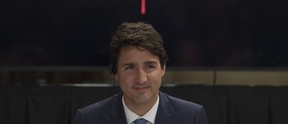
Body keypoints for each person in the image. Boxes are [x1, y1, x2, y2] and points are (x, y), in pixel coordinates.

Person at [73, 21, 208, 124]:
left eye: (149, 66)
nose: (141, 79)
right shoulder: (88, 119)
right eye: (130, 67)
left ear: (163, 68)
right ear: (115, 72)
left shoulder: (192, 118)